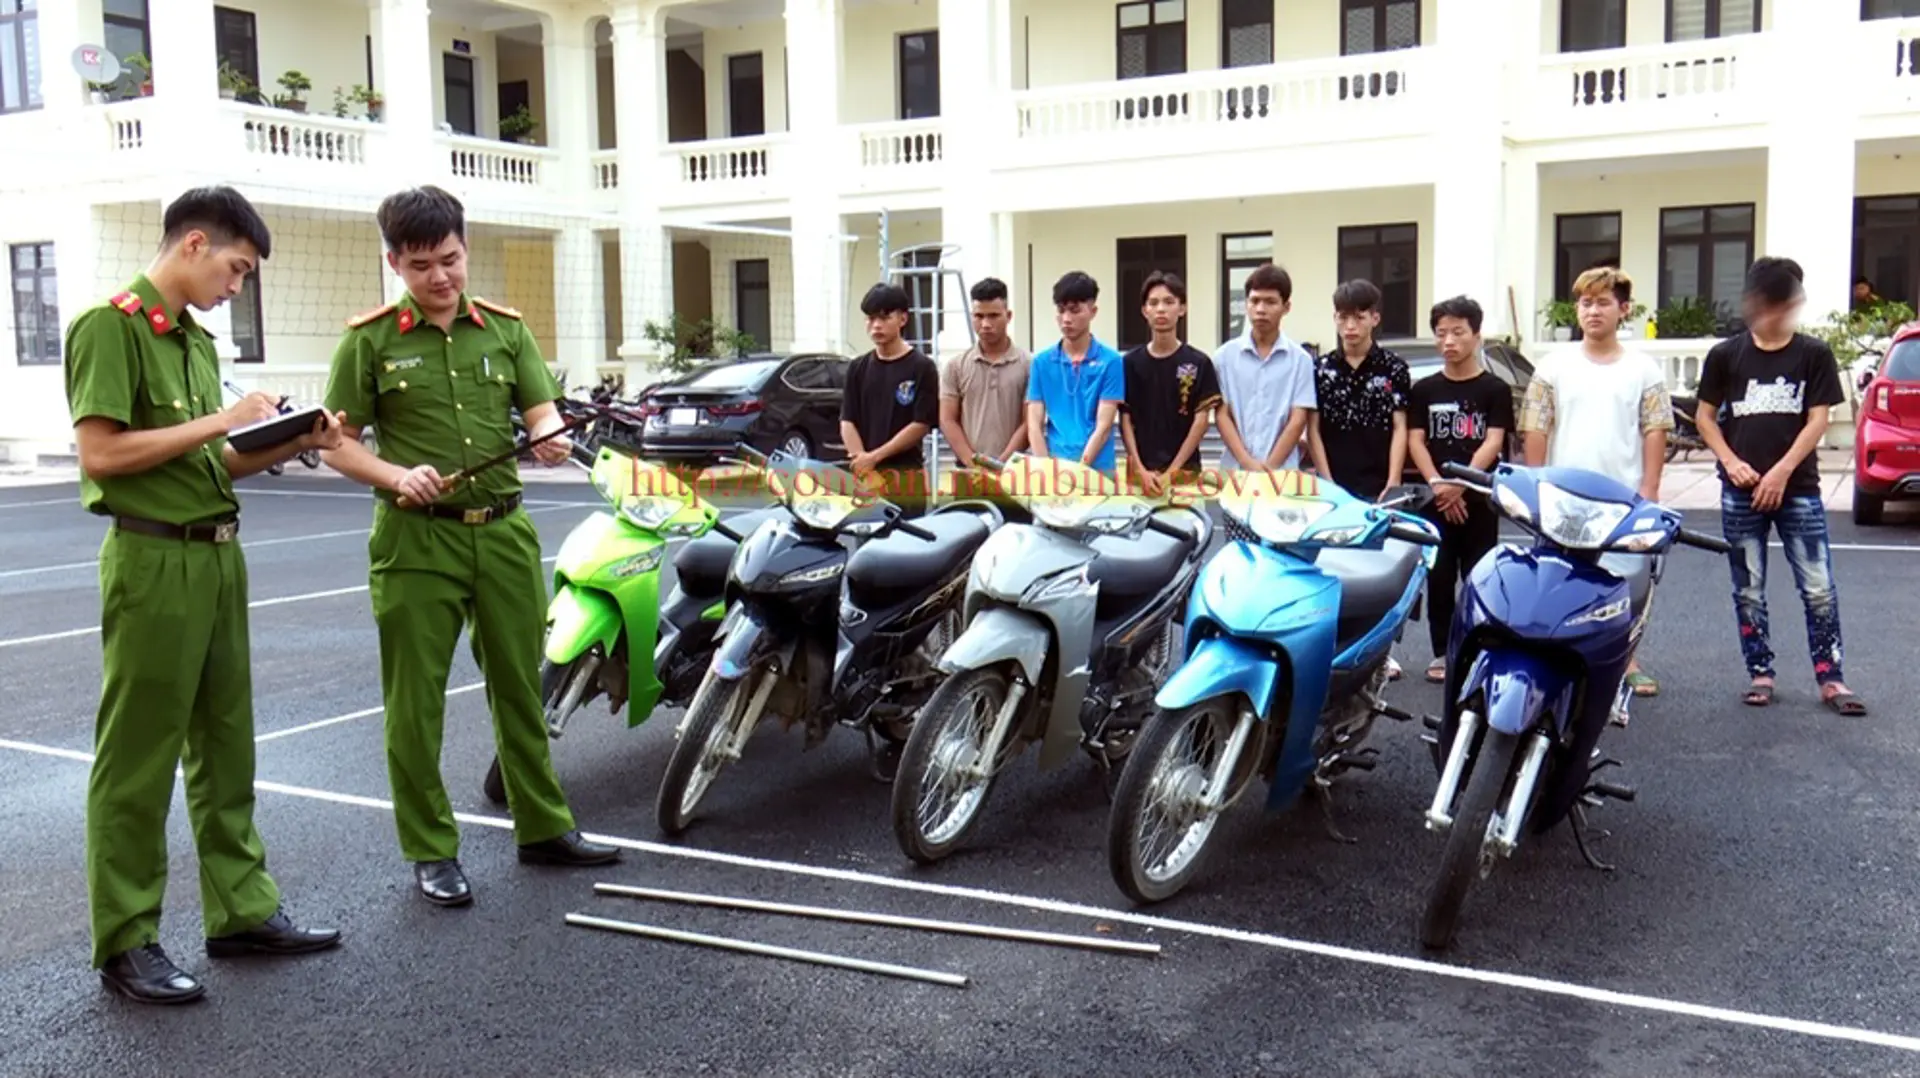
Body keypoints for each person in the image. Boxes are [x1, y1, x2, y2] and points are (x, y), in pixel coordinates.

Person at [65, 185, 344, 1005]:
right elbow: (103, 455)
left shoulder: (192, 341)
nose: (236, 286)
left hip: (218, 553)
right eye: (235, 267)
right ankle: (127, 937)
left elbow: (208, 464)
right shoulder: (109, 326)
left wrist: (289, 438)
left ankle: (241, 912)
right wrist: (222, 419)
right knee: (139, 757)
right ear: (193, 243)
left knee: (227, 746)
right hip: (153, 562)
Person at [319, 185, 619, 909]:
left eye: (450, 259)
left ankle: (543, 826)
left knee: (521, 684)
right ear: (395, 262)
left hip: (505, 534)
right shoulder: (369, 340)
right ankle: (431, 849)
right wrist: (395, 475)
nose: (440, 277)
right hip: (417, 541)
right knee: (415, 702)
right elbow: (334, 444)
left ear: (466, 247)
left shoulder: (507, 331)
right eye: (421, 265)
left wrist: (551, 442)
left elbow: (540, 412)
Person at [1694, 257, 1866, 716]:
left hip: (1799, 490)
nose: (1769, 314)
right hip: (1740, 490)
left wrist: (1781, 471)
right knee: (1748, 588)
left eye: (1779, 305)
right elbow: (1704, 418)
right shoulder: (1726, 355)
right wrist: (1731, 462)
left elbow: (1818, 420)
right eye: (1762, 304)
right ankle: (1761, 672)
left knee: (1818, 587)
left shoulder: (1813, 354)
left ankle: (1831, 677)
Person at [1518, 266, 1673, 704]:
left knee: (1625, 582)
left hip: (1622, 500)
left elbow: (1655, 428)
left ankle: (1627, 661)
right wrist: (1535, 486)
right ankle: (1556, 653)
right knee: (1555, 576)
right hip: (1562, 497)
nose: (1592, 311)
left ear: (1623, 310)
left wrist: (1650, 489)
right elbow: (1535, 426)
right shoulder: (1553, 366)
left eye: (1603, 302)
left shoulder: (1643, 370)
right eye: (1586, 302)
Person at [1406, 296, 1513, 684]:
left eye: (1457, 332)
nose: (1448, 340)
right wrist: (1438, 485)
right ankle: (1442, 652)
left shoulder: (1494, 388)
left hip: (1479, 498)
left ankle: (1478, 648)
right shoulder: (1425, 390)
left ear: (1476, 335)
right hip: (1434, 497)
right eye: (1441, 333)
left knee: (1480, 576)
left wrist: (1461, 484)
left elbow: (1493, 441)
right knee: (1438, 577)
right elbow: (1416, 441)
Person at [1118, 271, 1220, 498]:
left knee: (1188, 531)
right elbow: (1125, 419)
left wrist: (1172, 472)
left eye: (1169, 302)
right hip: (1139, 478)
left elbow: (1201, 422)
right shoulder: (1129, 363)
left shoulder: (1199, 362)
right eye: (1153, 303)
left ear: (1182, 308)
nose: (1161, 309)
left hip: (1185, 476)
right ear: (1145, 310)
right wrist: (1141, 469)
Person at [841, 282, 941, 516]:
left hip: (905, 479)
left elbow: (920, 424)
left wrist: (874, 458)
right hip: (865, 481)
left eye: (884, 317)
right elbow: (847, 420)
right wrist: (863, 466)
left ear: (903, 319)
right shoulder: (857, 368)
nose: (876, 325)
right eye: (870, 318)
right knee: (865, 548)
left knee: (905, 548)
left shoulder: (922, 367)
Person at [1308, 279, 1411, 502]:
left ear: (1375, 319)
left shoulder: (1394, 368)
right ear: (1335, 319)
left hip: (1380, 486)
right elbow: (1313, 429)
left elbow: (1400, 427)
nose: (1350, 326)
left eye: (1359, 317)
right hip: (1333, 486)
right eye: (1343, 318)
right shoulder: (1319, 369)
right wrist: (1327, 482)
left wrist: (1393, 480)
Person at [1214, 263, 1317, 473]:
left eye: (1270, 302)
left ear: (1286, 307)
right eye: (1255, 301)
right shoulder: (1224, 357)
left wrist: (1269, 468)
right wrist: (1248, 464)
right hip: (1235, 474)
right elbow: (1222, 415)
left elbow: (1298, 420)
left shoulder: (1300, 360)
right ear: (1246, 304)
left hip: (1282, 475)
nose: (1261, 309)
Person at [1026, 271, 1126, 476]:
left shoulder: (1111, 361)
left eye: (1074, 310)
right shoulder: (1041, 363)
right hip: (1055, 468)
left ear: (1093, 311)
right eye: (1061, 311)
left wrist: (1080, 471)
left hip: (1099, 471)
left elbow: (1104, 425)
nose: (1066, 319)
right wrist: (1046, 471)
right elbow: (1034, 424)